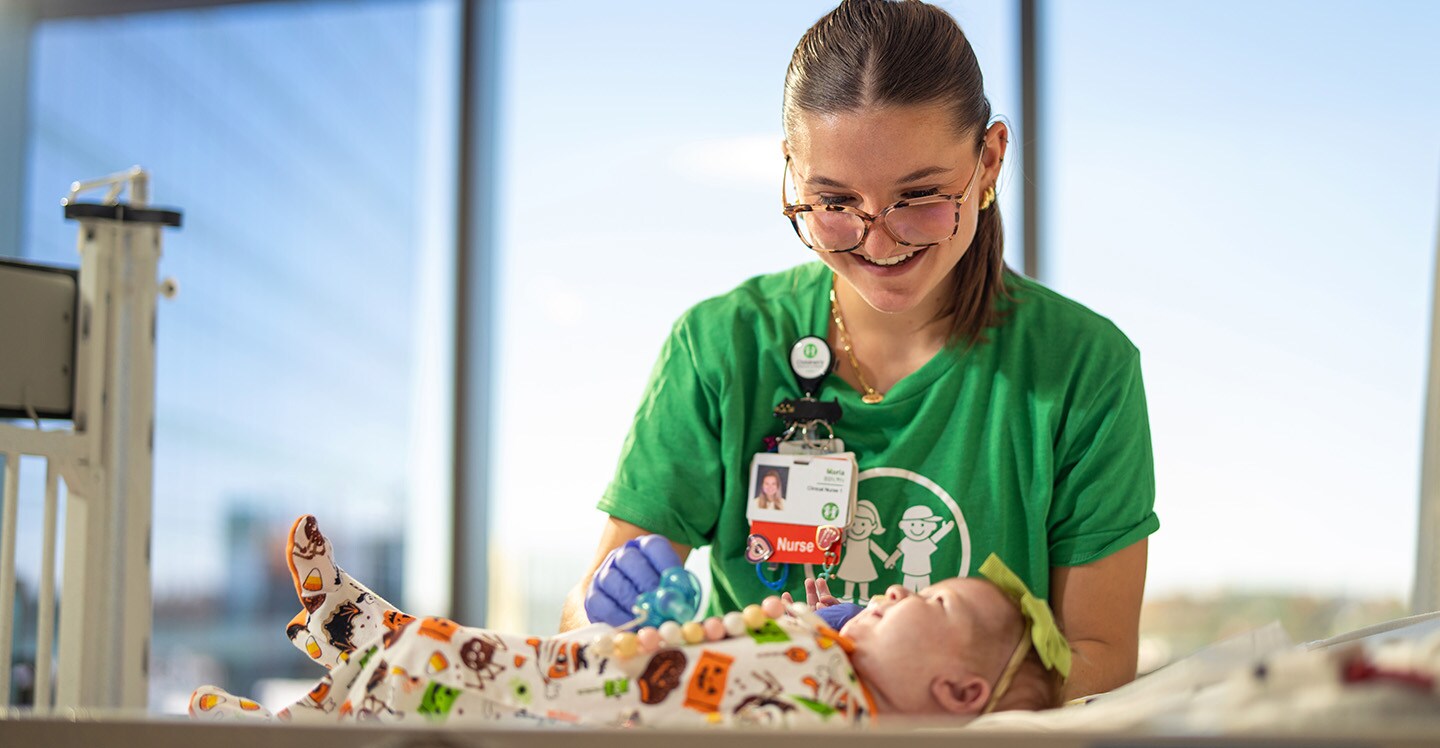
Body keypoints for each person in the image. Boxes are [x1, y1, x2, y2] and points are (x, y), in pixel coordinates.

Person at [564, 0, 1158, 703]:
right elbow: (580, 642)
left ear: (990, 160)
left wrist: (871, 696)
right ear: (792, 170)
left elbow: (1098, 660)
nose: (879, 242)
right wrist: (602, 614)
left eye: (921, 197)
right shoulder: (722, 347)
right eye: (836, 203)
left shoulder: (1082, 370)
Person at [190, 516, 1068, 726]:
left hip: (584, 717)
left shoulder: (840, 719)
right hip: (597, 670)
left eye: (938, 602)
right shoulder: (832, 659)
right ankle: (362, 634)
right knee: (498, 657)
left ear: (957, 689)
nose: (903, 590)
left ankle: (296, 718)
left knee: (466, 691)